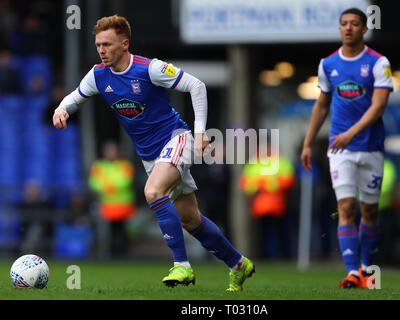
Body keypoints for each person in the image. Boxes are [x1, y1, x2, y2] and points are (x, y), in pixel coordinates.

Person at [52, 15, 254, 291]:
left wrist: (199, 132)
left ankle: (182, 265)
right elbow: (74, 97)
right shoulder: (99, 75)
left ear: (124, 44)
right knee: (190, 220)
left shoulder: (150, 69)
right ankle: (239, 264)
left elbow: (197, 86)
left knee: (152, 192)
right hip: (151, 156)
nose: (101, 50)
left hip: (176, 139)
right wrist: (61, 109)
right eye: (98, 44)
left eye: (107, 44)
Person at [300, 8, 393, 289]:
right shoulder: (328, 64)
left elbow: (378, 107)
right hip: (340, 149)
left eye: (354, 24)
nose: (349, 28)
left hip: (370, 147)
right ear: (339, 29)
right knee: (346, 206)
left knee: (369, 212)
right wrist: (307, 142)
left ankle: (369, 271)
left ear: (364, 29)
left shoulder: (378, 63)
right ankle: (353, 272)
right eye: (344, 24)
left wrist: (351, 133)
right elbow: (321, 104)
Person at [239, 148, 295, 259]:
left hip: (279, 205)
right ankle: (271, 256)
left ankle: (279, 256)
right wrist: (268, 183)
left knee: (279, 232)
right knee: (267, 233)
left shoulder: (279, 160)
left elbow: (288, 180)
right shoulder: (256, 162)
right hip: (262, 207)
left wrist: (262, 183)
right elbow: (245, 184)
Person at [88, 140, 136, 257]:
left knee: (123, 231)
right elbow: (93, 182)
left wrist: (108, 186)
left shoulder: (125, 165)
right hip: (107, 206)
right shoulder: (98, 166)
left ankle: (124, 253)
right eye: (108, 150)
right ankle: (110, 254)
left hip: (123, 205)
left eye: (112, 150)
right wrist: (108, 186)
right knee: (107, 232)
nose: (110, 153)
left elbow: (126, 180)